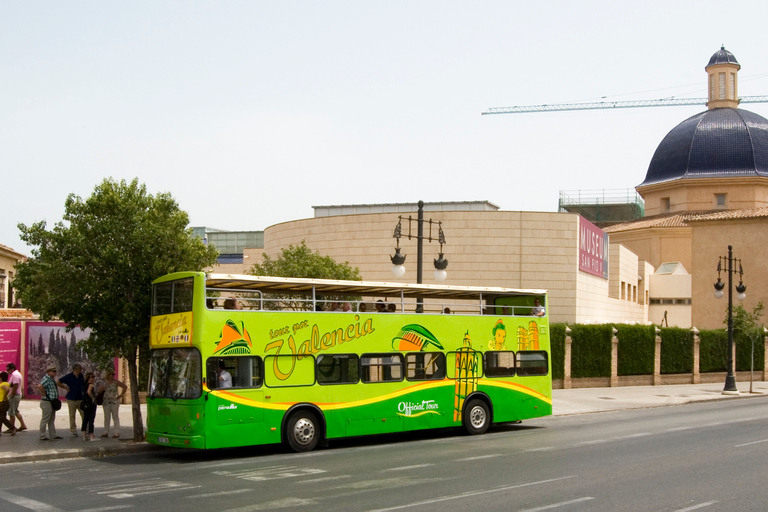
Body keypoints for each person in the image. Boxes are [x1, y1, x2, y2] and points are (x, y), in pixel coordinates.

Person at [37, 364, 67, 441]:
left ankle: (53, 435)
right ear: (48, 372)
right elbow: (40, 386)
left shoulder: (52, 379)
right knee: (45, 419)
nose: (55, 373)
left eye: (55, 371)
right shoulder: (46, 379)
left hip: (52, 401)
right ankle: (42, 435)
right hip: (47, 401)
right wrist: (43, 393)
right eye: (53, 371)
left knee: (51, 419)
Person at [57, 363, 85, 437]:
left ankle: (85, 429)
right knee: (72, 415)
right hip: (71, 398)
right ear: (76, 369)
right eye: (80, 369)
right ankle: (73, 430)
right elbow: (58, 381)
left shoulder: (81, 376)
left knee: (84, 414)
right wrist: (66, 388)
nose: (81, 370)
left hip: (80, 398)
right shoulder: (69, 376)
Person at [99, 369, 127, 438]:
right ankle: (106, 432)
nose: (113, 376)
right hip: (106, 402)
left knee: (115, 417)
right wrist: (101, 389)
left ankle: (116, 432)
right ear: (108, 375)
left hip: (114, 401)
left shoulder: (115, 382)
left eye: (114, 375)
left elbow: (124, 387)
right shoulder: (104, 382)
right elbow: (99, 391)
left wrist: (121, 395)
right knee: (107, 417)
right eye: (112, 375)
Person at [4, 363, 27, 432]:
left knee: (11, 412)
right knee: (16, 411)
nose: (7, 371)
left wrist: (12, 394)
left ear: (12, 369)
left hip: (15, 395)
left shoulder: (15, 375)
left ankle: (11, 427)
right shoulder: (17, 374)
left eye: (8, 369)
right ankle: (23, 425)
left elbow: (15, 385)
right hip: (16, 394)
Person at [80, 372, 98, 441]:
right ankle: (91, 435)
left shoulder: (84, 385)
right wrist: (93, 398)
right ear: (89, 378)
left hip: (85, 404)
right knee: (91, 419)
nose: (93, 378)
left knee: (85, 419)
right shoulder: (91, 385)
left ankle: (84, 435)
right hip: (91, 404)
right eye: (92, 377)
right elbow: (89, 392)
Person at [0, 371, 16, 435]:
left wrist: (4, 398)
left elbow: (7, 390)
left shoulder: (3, 384)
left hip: (2, 402)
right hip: (4, 402)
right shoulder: (6, 383)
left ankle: (12, 428)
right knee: (1, 416)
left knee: (2, 417)